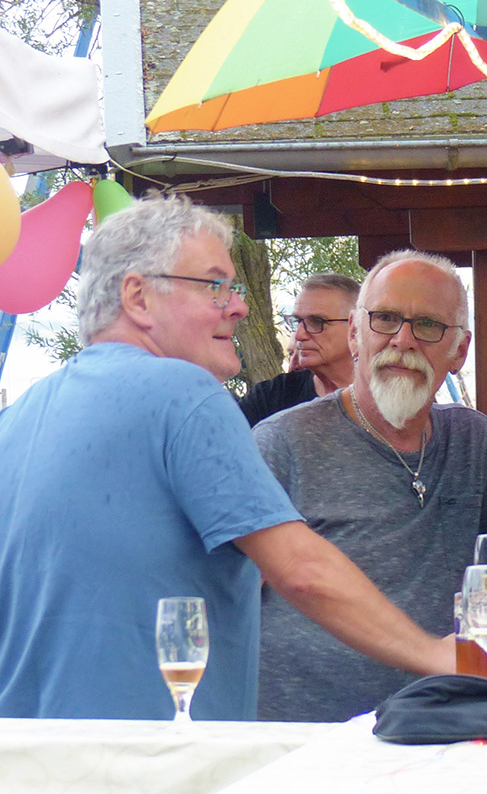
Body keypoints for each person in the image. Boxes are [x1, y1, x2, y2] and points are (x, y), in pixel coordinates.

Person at [0, 196, 457, 721]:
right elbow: (301, 570)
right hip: (154, 764)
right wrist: (437, 656)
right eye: (214, 285)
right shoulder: (184, 392)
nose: (238, 306)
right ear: (138, 297)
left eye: (235, 287)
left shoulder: (19, 418)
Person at [254, 248, 487, 722]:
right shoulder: (281, 443)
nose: (404, 340)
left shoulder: (475, 441)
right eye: (386, 319)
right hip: (314, 740)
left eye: (428, 325)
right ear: (355, 334)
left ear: (460, 351)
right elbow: (227, 602)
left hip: (448, 722)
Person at [239, 273, 359, 426]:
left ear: (355, 328)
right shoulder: (271, 397)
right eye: (297, 321)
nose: (300, 335)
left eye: (317, 322)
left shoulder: (386, 398)